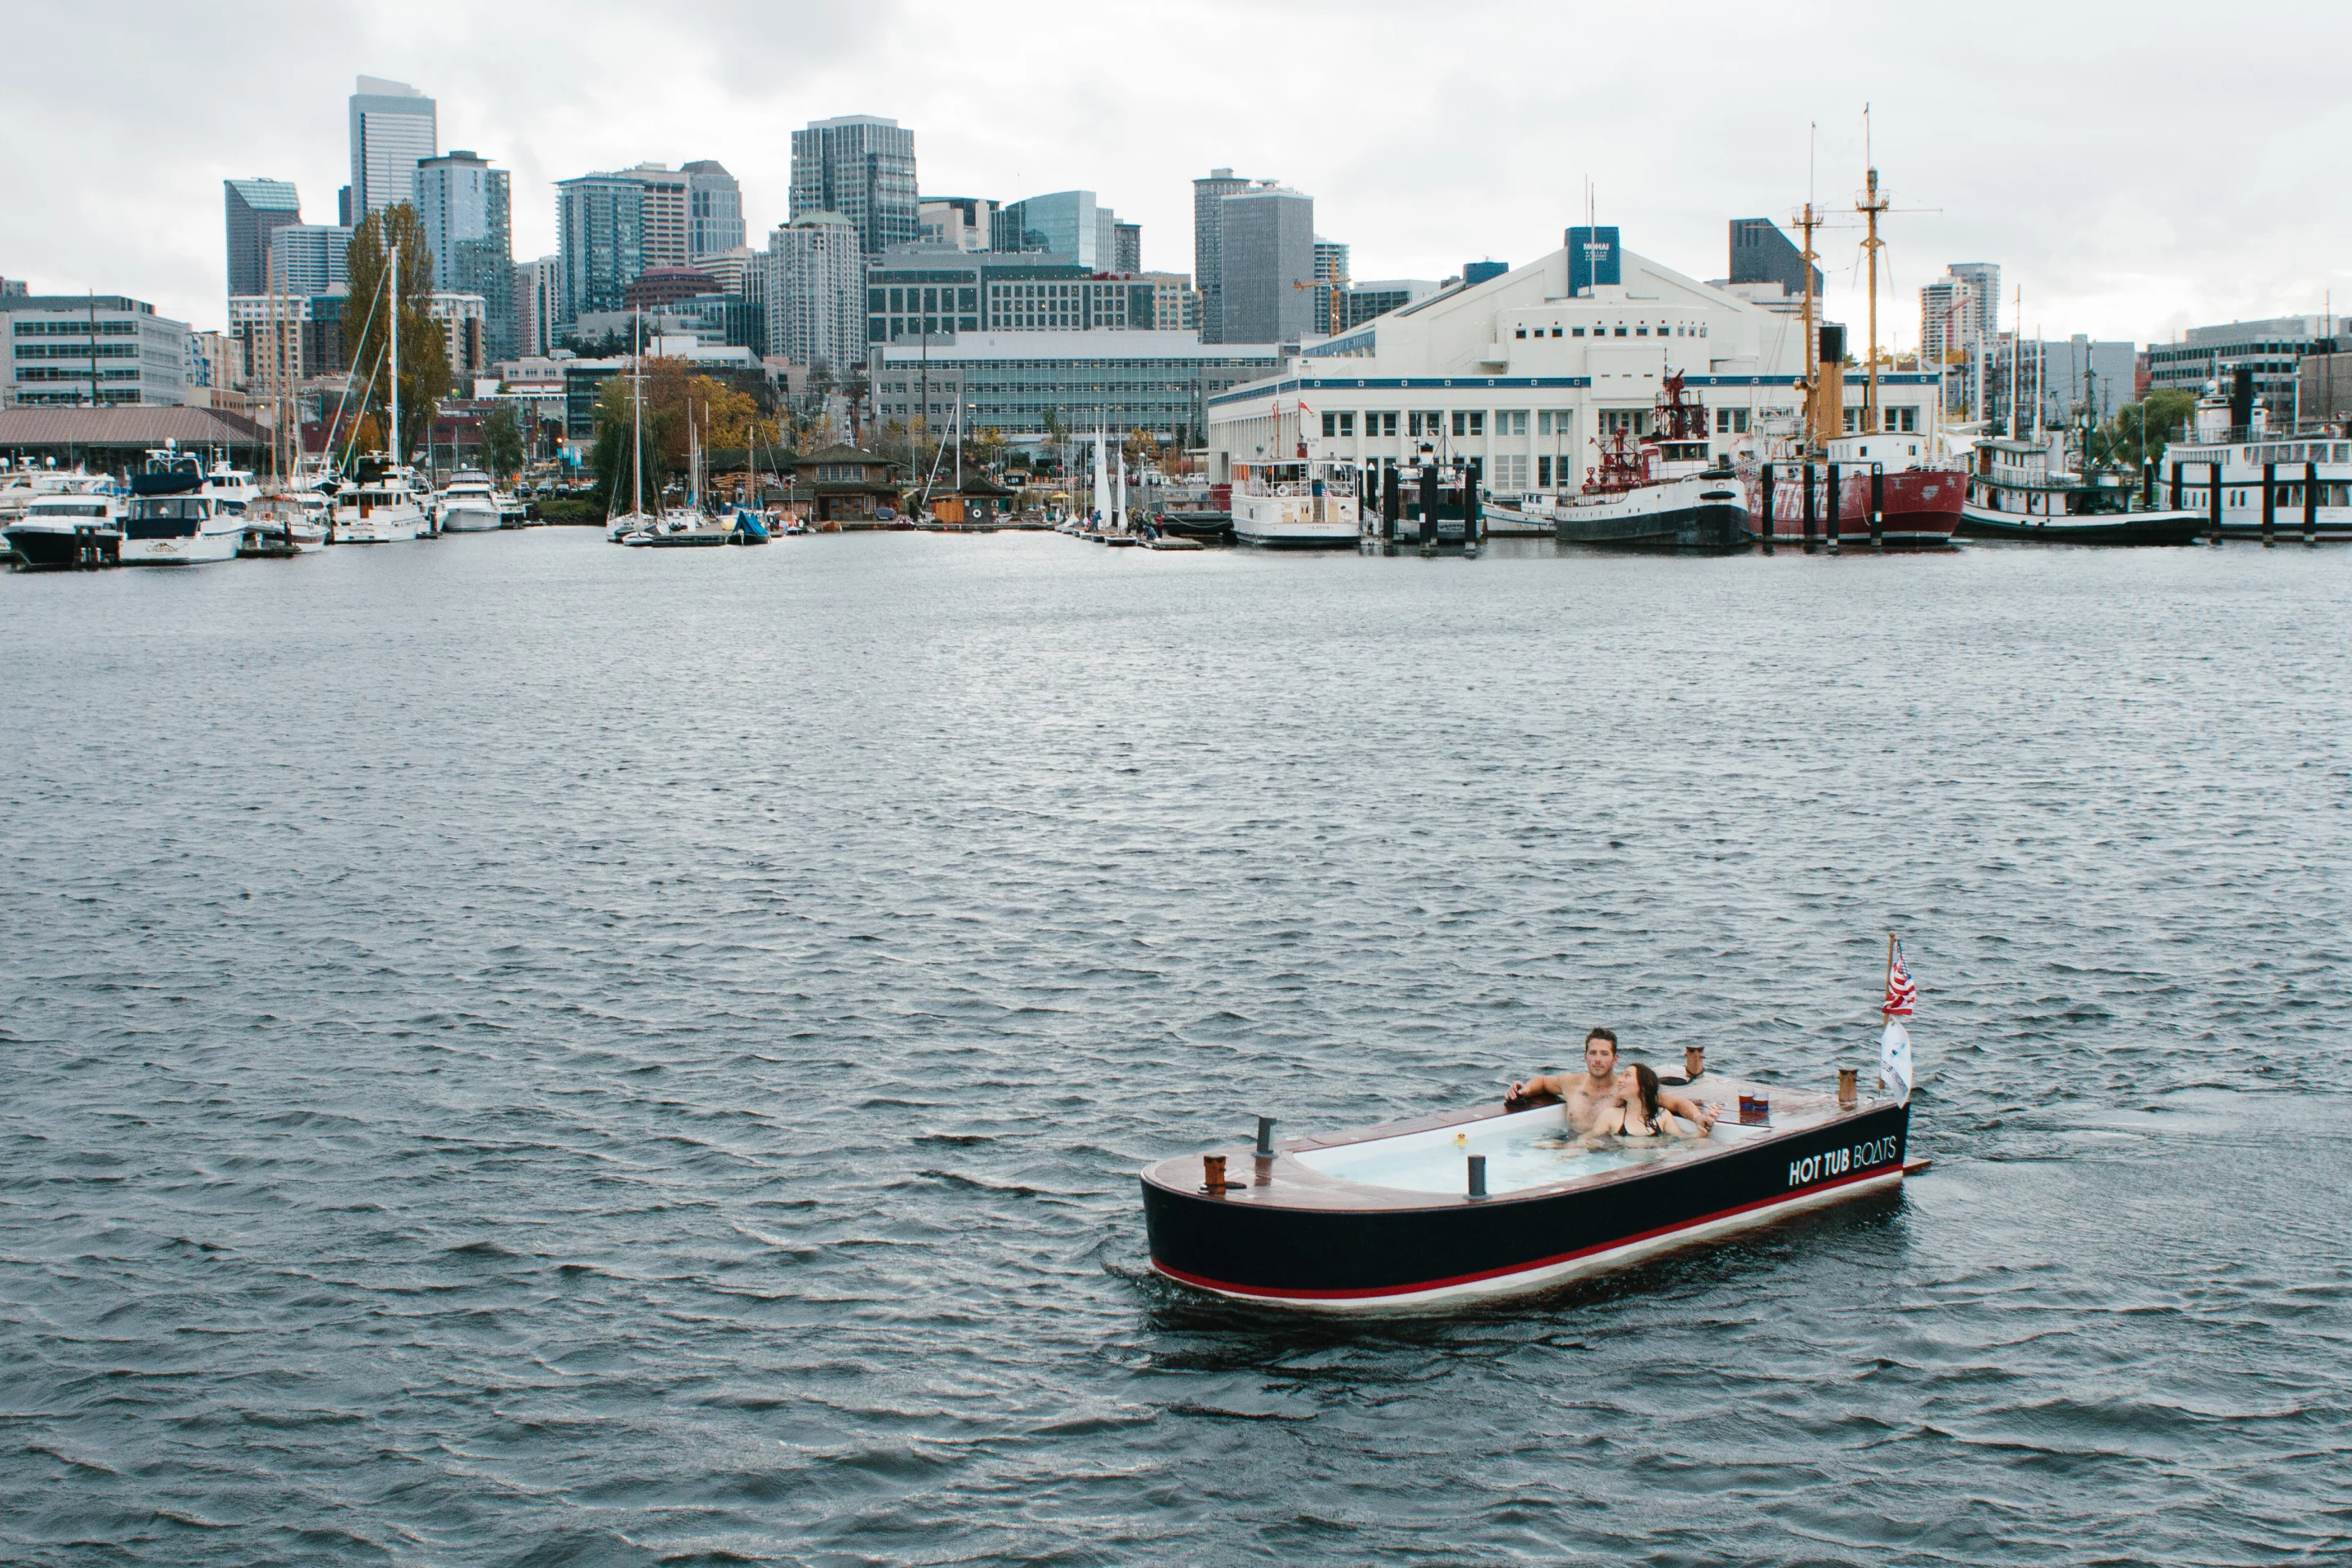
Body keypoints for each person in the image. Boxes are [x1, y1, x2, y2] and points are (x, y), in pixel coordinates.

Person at [1511, 1028, 1625, 1137]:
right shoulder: (1572, 1083)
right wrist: (1526, 1090)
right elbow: (1542, 1081)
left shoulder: (1625, 1089)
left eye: (1604, 1054)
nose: (1598, 1059)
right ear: (1585, 1056)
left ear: (1615, 1059)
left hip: (1606, 1148)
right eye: (1593, 1053)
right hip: (1571, 1141)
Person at [1594, 1062, 1713, 1140]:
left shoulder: (1662, 1116)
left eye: (1627, 1076)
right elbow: (1587, 1139)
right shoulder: (1610, 1115)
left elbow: (1683, 1141)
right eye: (1621, 1075)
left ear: (1643, 1086)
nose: (1619, 1080)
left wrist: (1702, 1131)